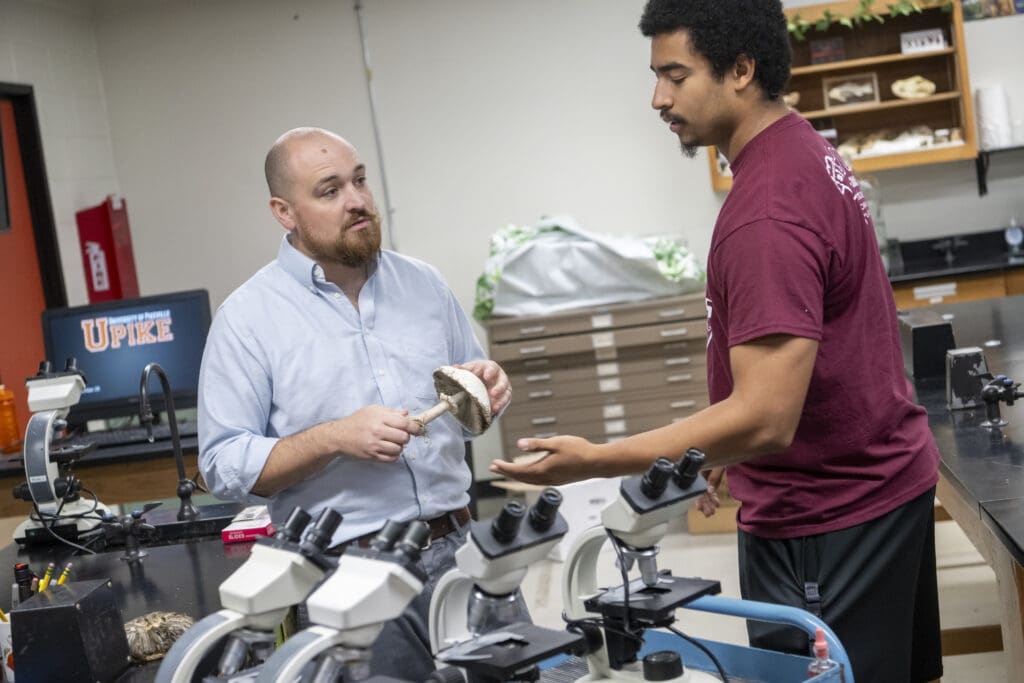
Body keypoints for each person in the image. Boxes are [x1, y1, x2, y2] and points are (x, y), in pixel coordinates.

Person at [490, 2, 942, 681]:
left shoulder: (766, 209)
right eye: (656, 76)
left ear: (741, 69)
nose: (658, 98)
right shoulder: (803, 150)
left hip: (828, 517)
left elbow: (767, 415)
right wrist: (720, 444)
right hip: (876, 488)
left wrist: (597, 460)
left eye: (676, 75)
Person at [198, 127, 511, 679]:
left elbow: (470, 415)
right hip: (348, 572)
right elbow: (223, 465)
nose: (358, 201)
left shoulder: (423, 284)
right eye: (330, 190)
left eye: (360, 180)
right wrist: (334, 437)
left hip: (461, 548)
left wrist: (486, 390)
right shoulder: (247, 319)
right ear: (284, 212)